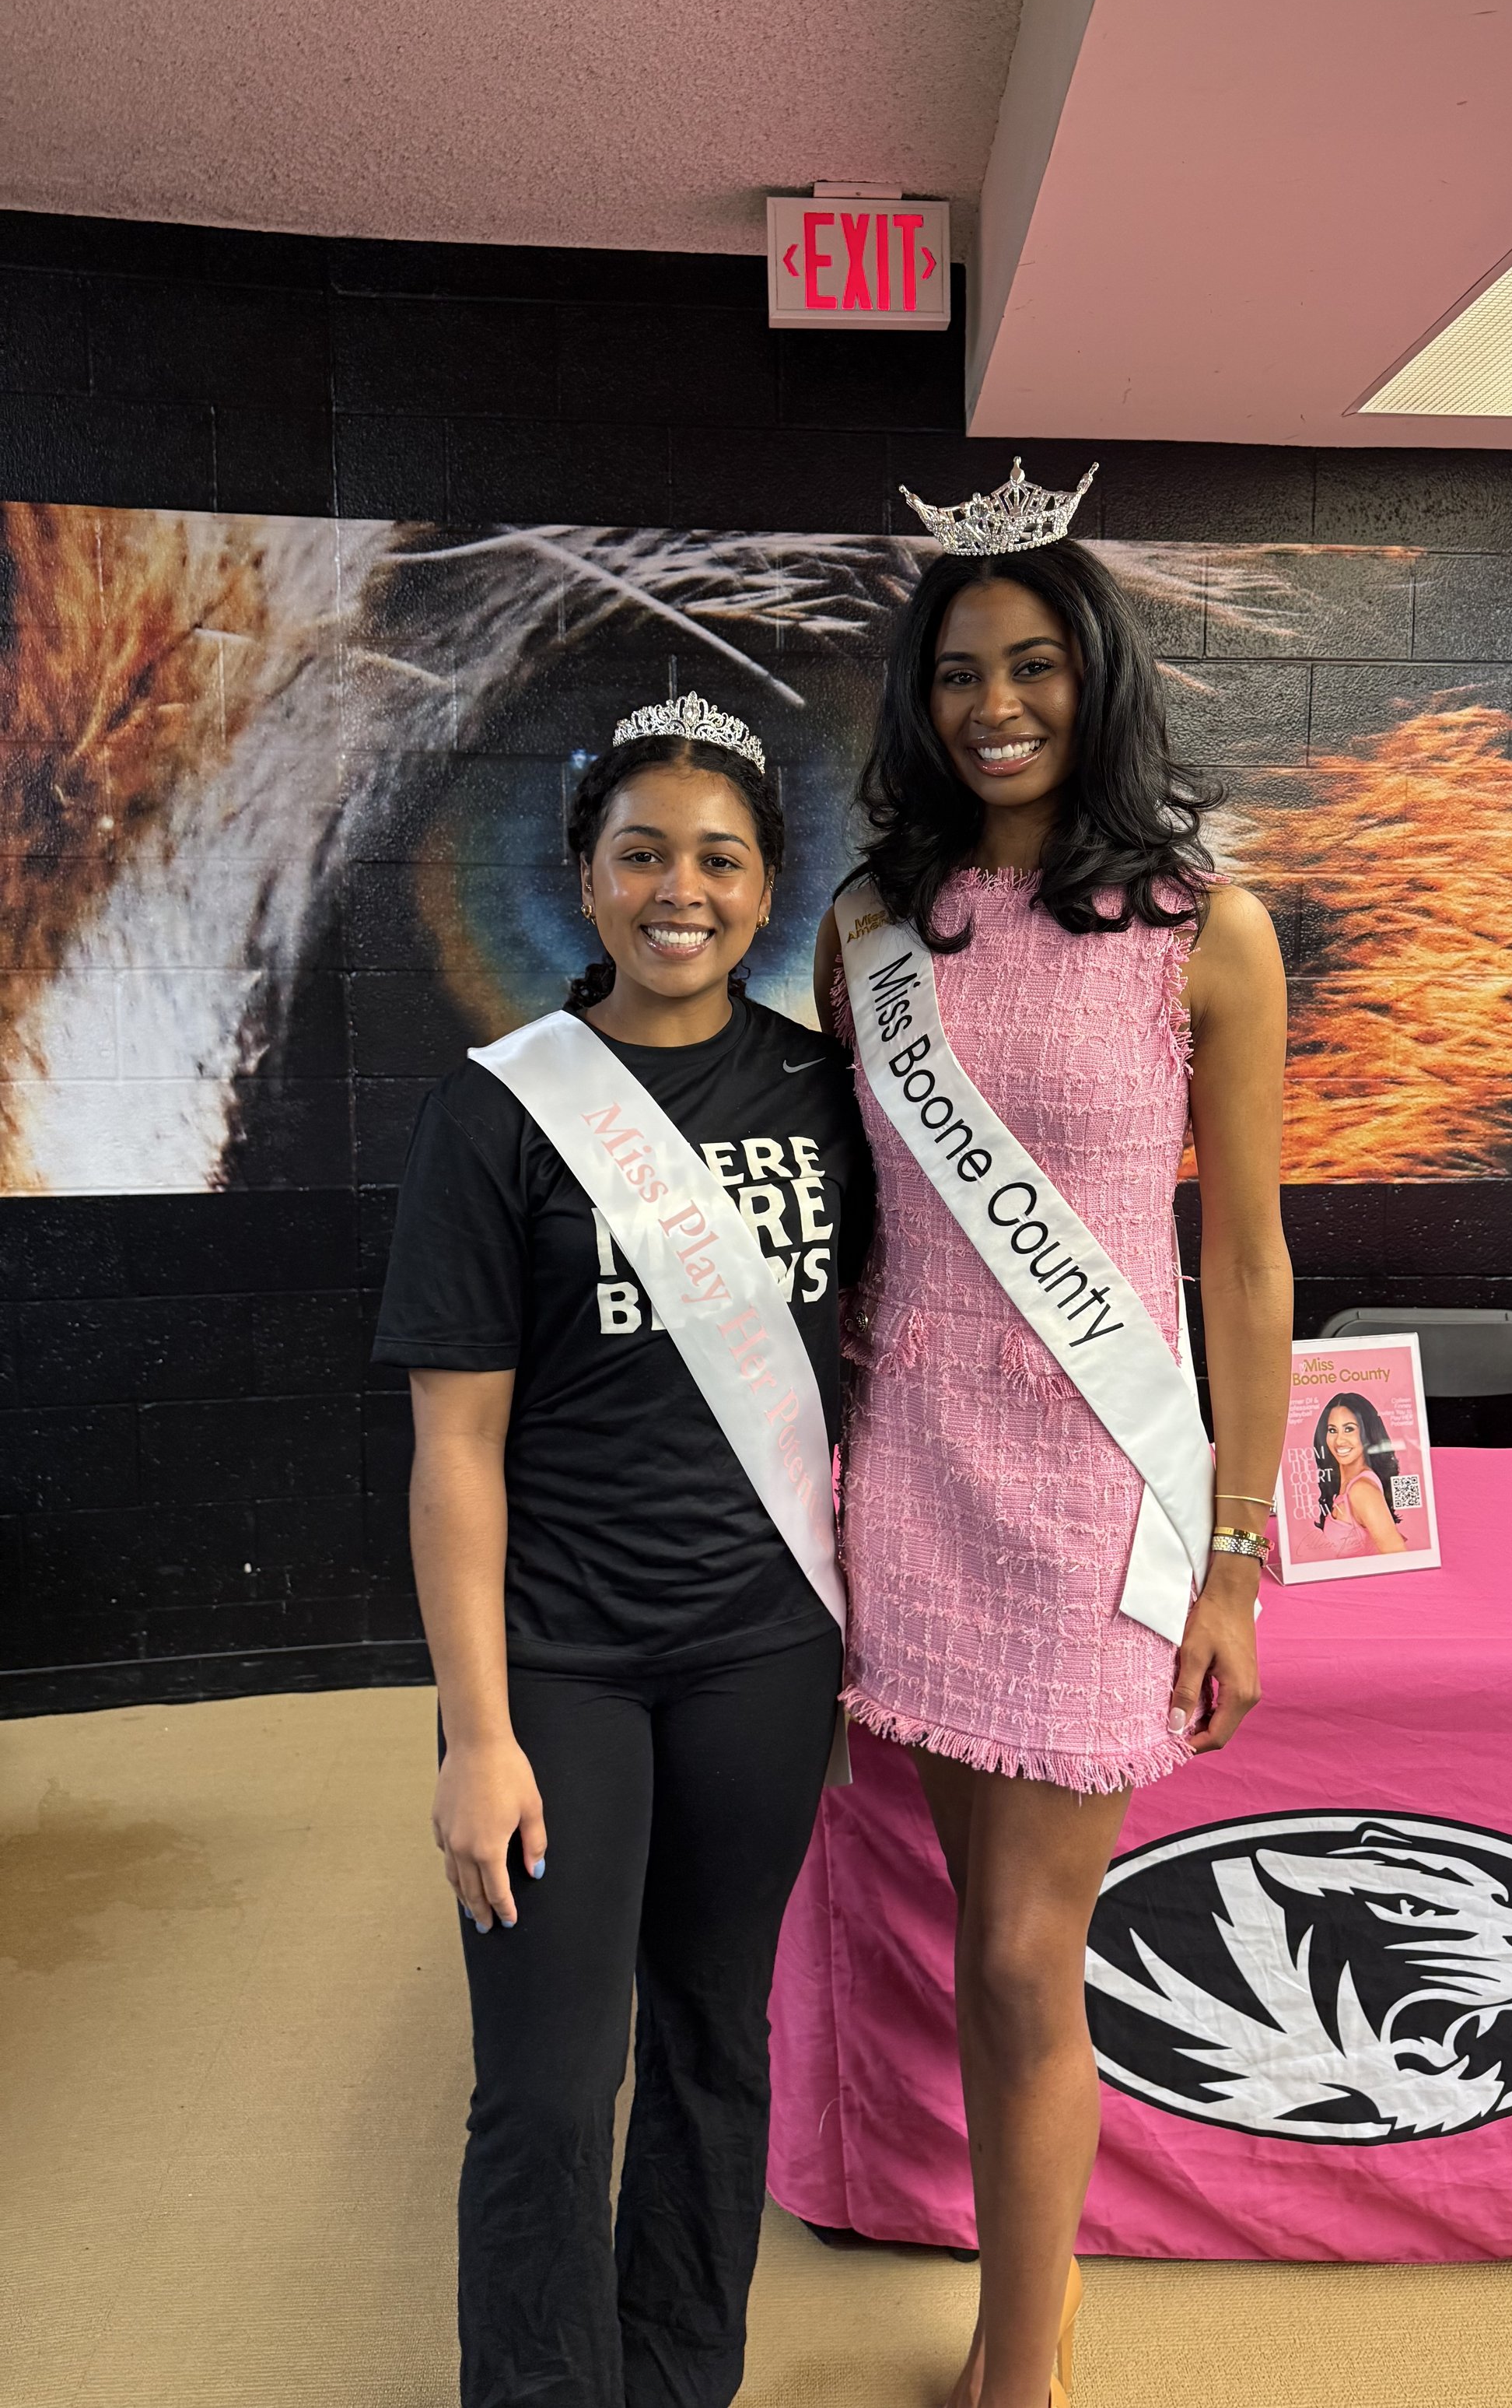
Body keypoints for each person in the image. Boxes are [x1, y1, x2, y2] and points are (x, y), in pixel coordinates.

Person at [813, 465, 1293, 2408]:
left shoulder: (1209, 928)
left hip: (1101, 1498)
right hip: (912, 1475)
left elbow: (1247, 1262)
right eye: (955, 674)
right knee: (971, 1938)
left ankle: (1030, 2366)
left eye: (1030, 665)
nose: (992, 704)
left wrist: (1241, 1556)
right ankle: (1031, 2322)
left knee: (1023, 1960)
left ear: (1095, 676)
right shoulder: (871, 930)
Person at [373, 697, 873, 2408]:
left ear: (766, 887)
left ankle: (675, 2375)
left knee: (713, 2045)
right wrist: (478, 1730)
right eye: (640, 853)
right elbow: (454, 1442)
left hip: (762, 1649)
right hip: (558, 1660)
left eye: (718, 857)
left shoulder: (831, 1089)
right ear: (584, 881)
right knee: (545, 2073)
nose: (682, 888)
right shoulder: (499, 1112)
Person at [1308, 1392, 1409, 1557]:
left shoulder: (1361, 1490)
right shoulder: (1345, 1486)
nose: (1339, 1440)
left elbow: (1400, 1558)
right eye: (1332, 1430)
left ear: (1367, 1432)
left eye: (1349, 1429)